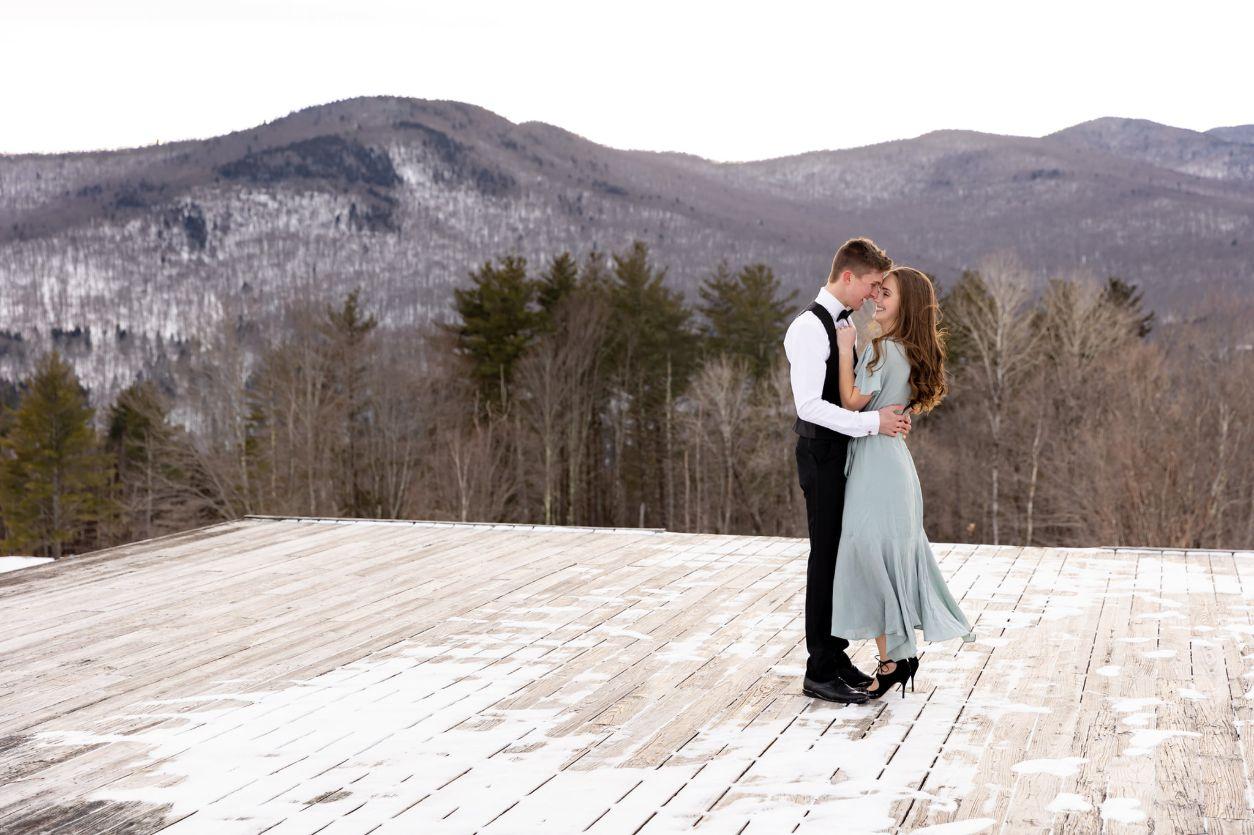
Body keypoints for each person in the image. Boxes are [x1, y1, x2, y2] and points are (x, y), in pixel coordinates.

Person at [830, 266, 975, 699]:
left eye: (886, 293)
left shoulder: (882, 348)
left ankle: (896, 658)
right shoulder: (909, 350)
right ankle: (895, 659)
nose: (877, 298)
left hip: (877, 466)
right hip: (892, 464)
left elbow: (851, 402)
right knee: (882, 559)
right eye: (877, 291)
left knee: (870, 557)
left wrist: (845, 349)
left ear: (906, 304)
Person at [784, 237, 912, 705]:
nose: (874, 295)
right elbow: (809, 406)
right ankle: (819, 668)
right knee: (825, 557)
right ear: (848, 276)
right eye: (872, 285)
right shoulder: (808, 327)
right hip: (821, 456)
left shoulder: (844, 324)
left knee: (843, 557)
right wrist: (872, 423)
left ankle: (835, 657)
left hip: (847, 455)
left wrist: (891, 413)